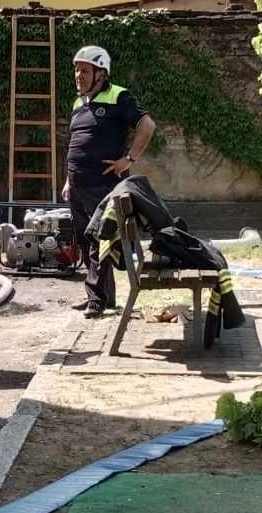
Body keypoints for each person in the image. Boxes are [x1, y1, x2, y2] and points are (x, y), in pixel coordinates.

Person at [64, 45, 157, 318]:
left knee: (99, 239)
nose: (79, 75)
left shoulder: (119, 97)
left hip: (103, 185)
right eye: (77, 70)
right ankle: (104, 296)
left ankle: (97, 301)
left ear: (101, 74)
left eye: (85, 70)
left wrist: (129, 159)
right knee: (84, 240)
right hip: (78, 185)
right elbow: (73, 145)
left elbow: (147, 125)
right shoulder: (78, 103)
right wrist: (68, 181)